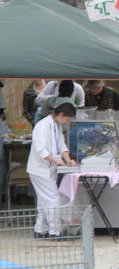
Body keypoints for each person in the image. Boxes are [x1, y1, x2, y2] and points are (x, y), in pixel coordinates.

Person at [27, 102, 77, 239]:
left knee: (45, 200)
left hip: (50, 169)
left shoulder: (56, 125)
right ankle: (55, 232)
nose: (66, 122)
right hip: (39, 169)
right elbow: (40, 150)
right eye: (66, 119)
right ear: (60, 115)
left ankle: (40, 230)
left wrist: (68, 160)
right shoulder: (42, 126)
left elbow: (61, 145)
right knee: (53, 199)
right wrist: (56, 161)